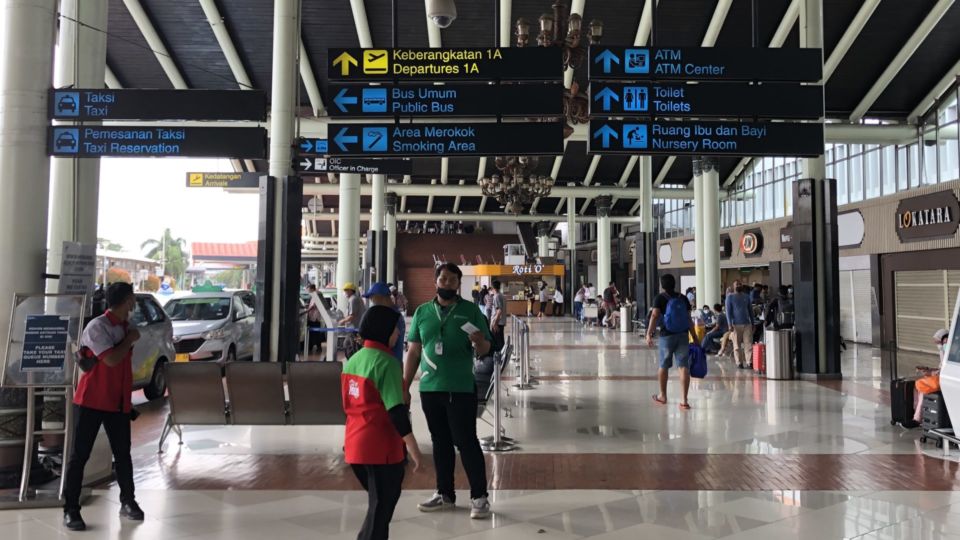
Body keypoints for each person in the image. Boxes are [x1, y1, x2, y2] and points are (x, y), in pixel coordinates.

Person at [403, 263, 493, 519]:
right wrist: (405, 385)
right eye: (443, 279)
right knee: (440, 443)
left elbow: (486, 350)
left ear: (459, 284)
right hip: (430, 389)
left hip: (461, 388)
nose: (447, 283)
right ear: (436, 282)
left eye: (453, 280)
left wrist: (480, 342)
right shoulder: (422, 312)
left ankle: (479, 497)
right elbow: (414, 351)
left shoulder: (471, 311)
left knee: (466, 442)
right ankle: (445, 494)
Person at [63, 282, 144, 531]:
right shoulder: (98, 327)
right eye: (132, 299)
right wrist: (130, 340)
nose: (134, 304)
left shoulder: (124, 327)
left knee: (122, 454)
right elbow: (110, 359)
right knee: (80, 456)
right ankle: (71, 509)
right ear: (127, 300)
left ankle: (128, 501)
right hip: (91, 401)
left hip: (118, 402)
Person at [343, 305, 424, 540]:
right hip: (381, 448)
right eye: (396, 329)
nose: (399, 335)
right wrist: (414, 449)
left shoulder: (353, 361)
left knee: (378, 506)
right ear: (384, 330)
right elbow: (396, 411)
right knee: (380, 510)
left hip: (355, 445)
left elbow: (347, 405)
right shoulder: (387, 363)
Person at [646, 274, 694, 410]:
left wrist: (649, 334)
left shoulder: (660, 298)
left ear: (662, 285)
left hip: (666, 336)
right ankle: (684, 401)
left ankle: (663, 396)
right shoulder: (683, 298)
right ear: (675, 284)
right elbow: (689, 320)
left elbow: (655, 316)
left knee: (664, 365)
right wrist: (695, 338)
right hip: (683, 335)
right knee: (684, 367)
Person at [911, 329, 948, 426]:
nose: (938, 346)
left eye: (939, 343)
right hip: (942, 377)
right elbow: (940, 368)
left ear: (945, 339)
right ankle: (920, 415)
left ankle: (917, 419)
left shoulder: (951, 352)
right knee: (919, 386)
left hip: (946, 380)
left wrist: (932, 373)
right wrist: (928, 370)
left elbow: (946, 370)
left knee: (924, 389)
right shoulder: (943, 351)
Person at [363, 282, 405, 362]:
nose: (371, 301)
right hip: (392, 361)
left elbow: (389, 343)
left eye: (372, 297)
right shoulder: (394, 313)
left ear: (381, 297)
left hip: (387, 362)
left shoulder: (391, 316)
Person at [725, 284, 754, 369]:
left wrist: (753, 323)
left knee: (748, 344)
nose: (738, 285)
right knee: (736, 345)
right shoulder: (730, 297)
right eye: (736, 284)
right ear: (733, 286)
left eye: (739, 283)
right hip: (735, 325)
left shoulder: (747, 297)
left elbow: (750, 310)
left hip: (747, 324)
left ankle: (749, 362)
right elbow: (728, 312)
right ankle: (739, 363)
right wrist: (729, 324)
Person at [489, 280, 507, 354]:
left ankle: (499, 357)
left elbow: (499, 311)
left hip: (497, 323)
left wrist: (495, 323)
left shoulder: (496, 296)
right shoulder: (501, 295)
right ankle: (502, 356)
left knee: (497, 342)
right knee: (500, 340)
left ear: (493, 288)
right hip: (501, 322)